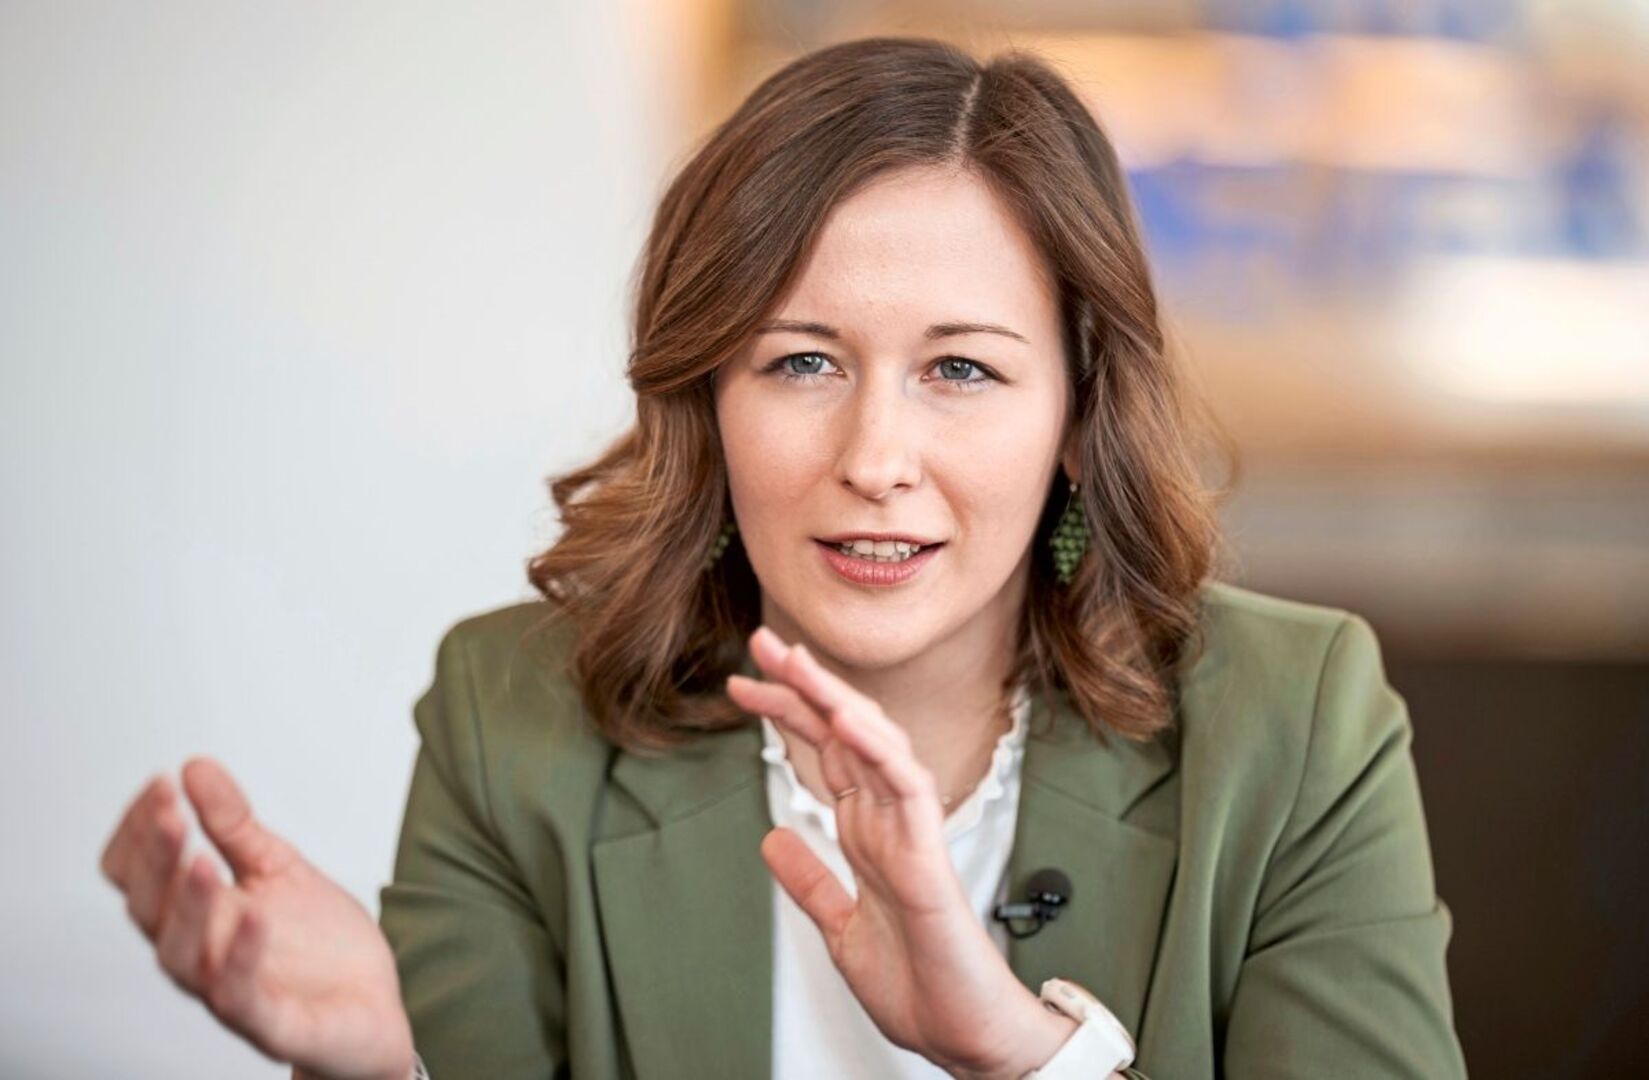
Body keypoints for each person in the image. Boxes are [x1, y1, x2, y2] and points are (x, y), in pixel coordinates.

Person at [98, 35, 1467, 1080]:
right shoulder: (509, 718)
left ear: (1075, 413)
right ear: (706, 397)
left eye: (961, 370)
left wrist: (1019, 1054)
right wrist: (391, 1064)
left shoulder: (1295, 724)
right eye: (802, 361)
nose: (875, 457)